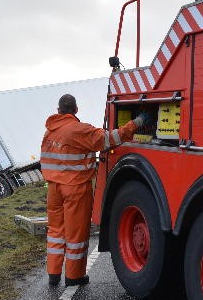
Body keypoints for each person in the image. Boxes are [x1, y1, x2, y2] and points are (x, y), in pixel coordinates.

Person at [41, 94, 148, 286]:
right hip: (75, 188)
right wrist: (137, 122)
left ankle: (53, 274)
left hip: (53, 189)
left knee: (56, 231)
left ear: (58, 111)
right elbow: (109, 139)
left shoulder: (49, 131)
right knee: (76, 234)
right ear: (76, 110)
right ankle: (74, 276)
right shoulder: (79, 130)